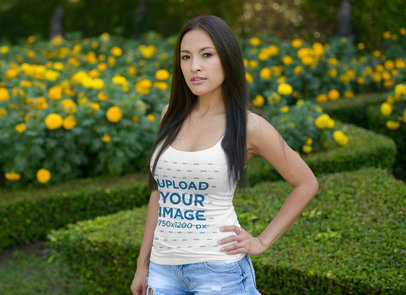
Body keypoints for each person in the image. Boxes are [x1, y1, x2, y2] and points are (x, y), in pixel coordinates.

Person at [130, 15, 318, 295]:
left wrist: (262, 241)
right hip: (163, 270)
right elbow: (159, 194)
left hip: (219, 272)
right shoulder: (170, 115)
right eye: (186, 57)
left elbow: (306, 183)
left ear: (228, 59)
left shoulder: (249, 126)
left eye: (206, 55)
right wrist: (142, 264)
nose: (194, 67)